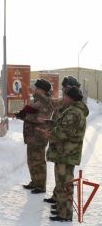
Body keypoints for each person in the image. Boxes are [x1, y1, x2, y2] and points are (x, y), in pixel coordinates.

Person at [37, 86, 88, 222]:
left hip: (66, 154)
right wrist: (50, 123)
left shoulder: (73, 112)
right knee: (63, 185)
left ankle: (65, 214)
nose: (63, 98)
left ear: (71, 98)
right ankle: (62, 211)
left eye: (65, 96)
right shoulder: (74, 111)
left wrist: (48, 134)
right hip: (65, 154)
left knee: (64, 185)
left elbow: (63, 132)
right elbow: (65, 126)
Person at [38, 76, 81, 204]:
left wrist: (50, 133)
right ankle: (58, 199)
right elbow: (59, 120)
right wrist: (50, 123)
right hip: (60, 143)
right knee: (60, 176)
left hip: (65, 146)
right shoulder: (67, 101)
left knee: (65, 178)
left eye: (65, 88)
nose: (63, 91)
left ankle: (63, 207)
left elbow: (66, 128)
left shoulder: (71, 105)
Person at [15, 79, 54, 194]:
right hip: (31, 135)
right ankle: (35, 181)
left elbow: (41, 118)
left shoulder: (47, 102)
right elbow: (31, 115)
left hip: (39, 135)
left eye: (37, 88)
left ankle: (41, 186)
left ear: (43, 90)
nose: (35, 89)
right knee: (31, 160)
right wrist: (21, 115)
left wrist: (25, 116)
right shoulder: (35, 101)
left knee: (39, 161)